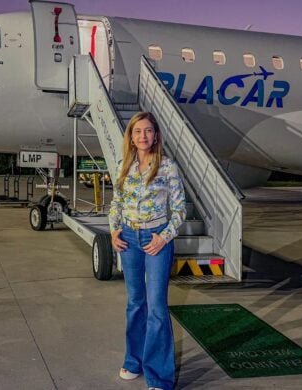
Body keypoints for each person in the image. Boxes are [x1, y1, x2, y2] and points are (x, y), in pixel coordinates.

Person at [109, 112, 186, 390]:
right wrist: (114, 229)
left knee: (156, 307)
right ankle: (133, 361)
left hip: (156, 239)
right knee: (135, 303)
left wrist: (163, 238)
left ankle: (159, 377)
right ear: (131, 136)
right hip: (128, 237)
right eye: (137, 131)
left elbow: (179, 211)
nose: (143, 136)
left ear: (156, 136)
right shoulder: (124, 165)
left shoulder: (167, 167)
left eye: (148, 131)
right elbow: (116, 202)